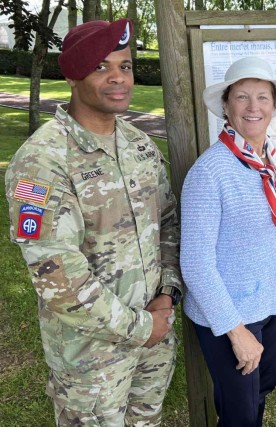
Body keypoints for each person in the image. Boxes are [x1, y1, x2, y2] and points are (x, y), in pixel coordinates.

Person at [4, 19, 182, 426]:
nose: (119, 78)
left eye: (126, 66)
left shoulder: (140, 145)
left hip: (153, 337)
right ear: (71, 75)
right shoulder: (42, 162)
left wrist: (167, 294)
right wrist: (141, 327)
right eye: (101, 67)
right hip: (91, 361)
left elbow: (169, 222)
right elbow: (57, 276)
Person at [180, 56, 276, 426]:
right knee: (240, 414)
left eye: (263, 97)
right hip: (230, 316)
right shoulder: (210, 172)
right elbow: (196, 264)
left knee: (258, 398)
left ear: (274, 105)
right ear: (226, 105)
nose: (253, 107)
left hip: (271, 304)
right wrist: (237, 332)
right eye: (242, 97)